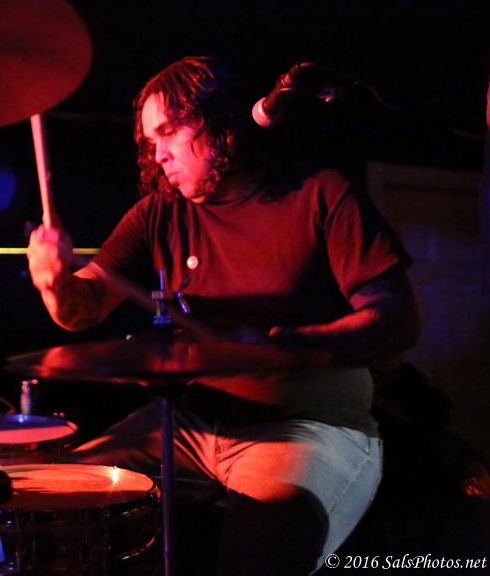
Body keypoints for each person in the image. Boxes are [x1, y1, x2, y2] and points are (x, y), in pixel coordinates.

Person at [26, 56, 421, 575]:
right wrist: (53, 281)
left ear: (219, 123)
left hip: (309, 422)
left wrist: (298, 345)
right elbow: (81, 311)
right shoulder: (159, 212)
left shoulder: (320, 193)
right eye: (150, 141)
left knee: (264, 543)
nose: (158, 154)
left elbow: (397, 318)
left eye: (169, 132)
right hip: (190, 423)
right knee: (50, 496)